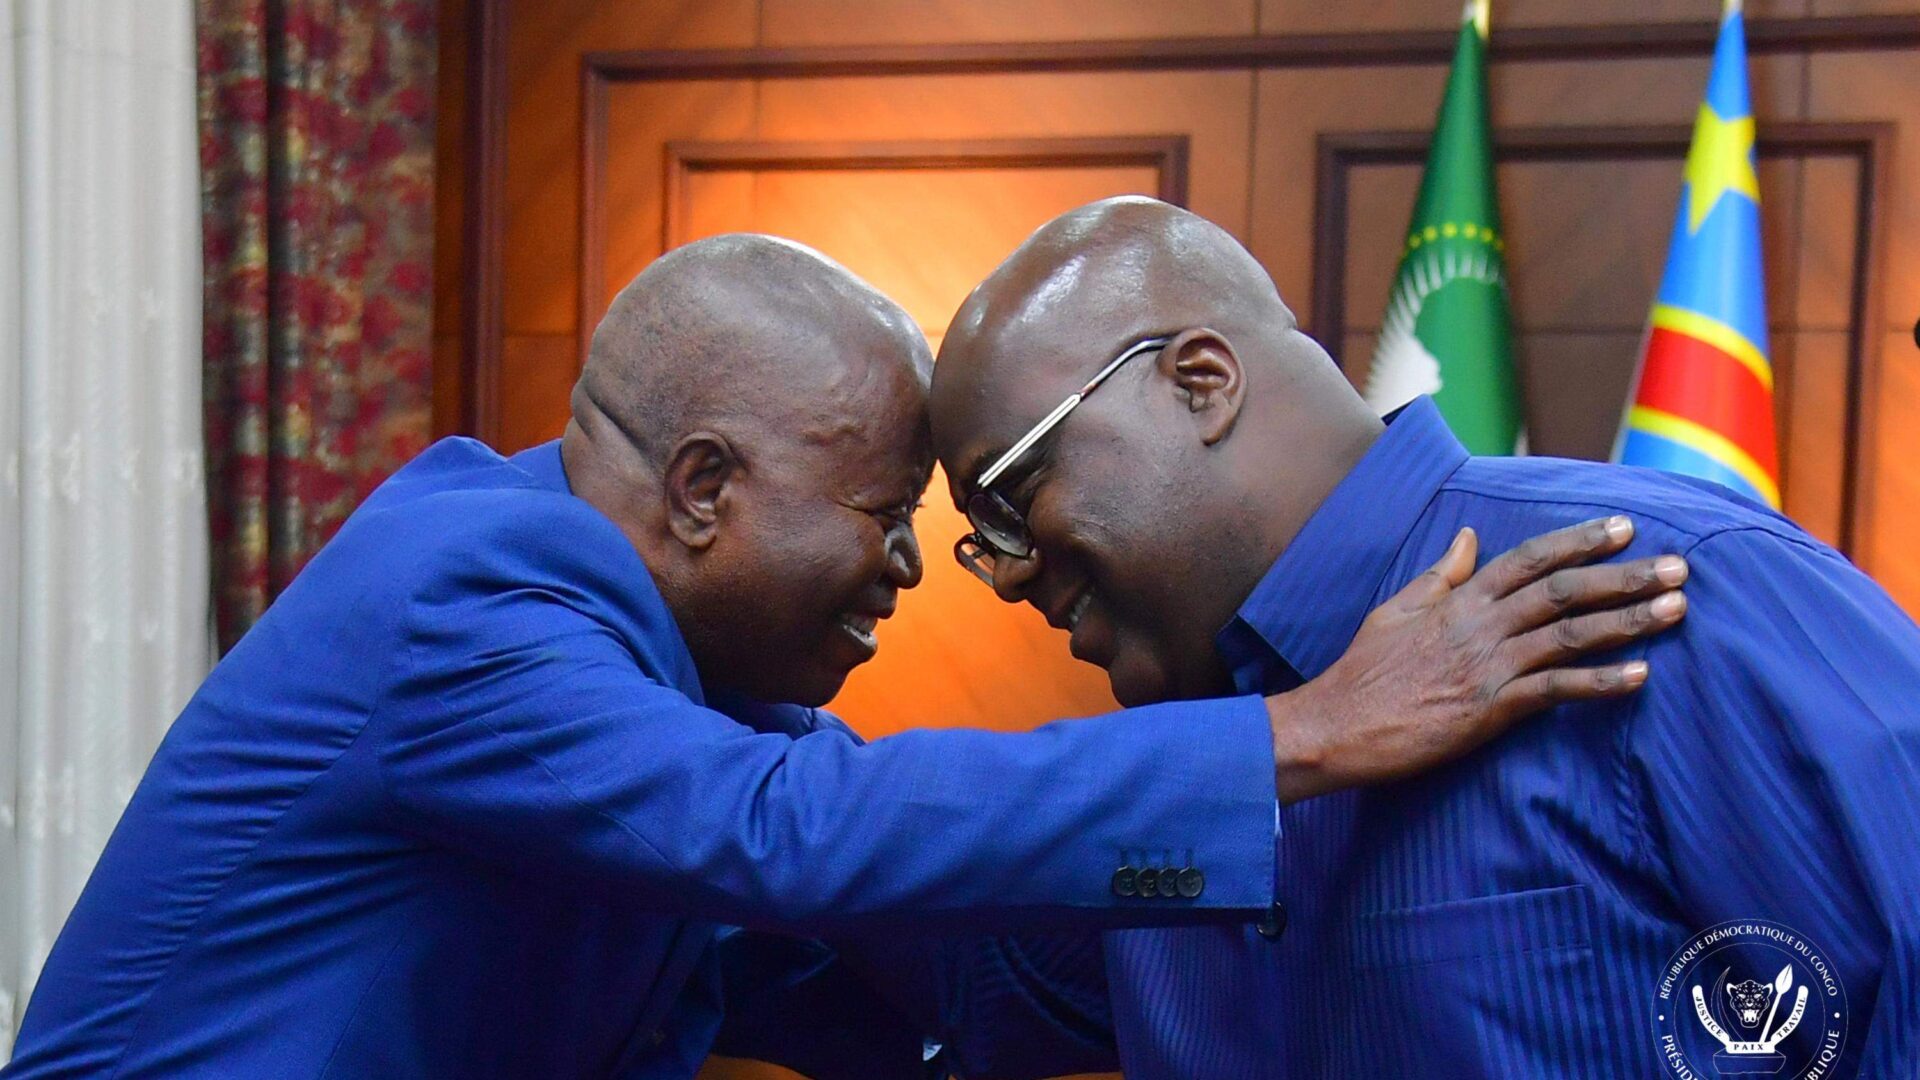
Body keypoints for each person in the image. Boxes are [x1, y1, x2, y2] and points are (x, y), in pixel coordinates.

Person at [5, 236, 1685, 1080]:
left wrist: (1288, 923)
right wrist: (1312, 734)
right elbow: (793, 839)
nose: (908, 570)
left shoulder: (660, 685)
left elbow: (909, 957)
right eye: (883, 515)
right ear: (705, 489)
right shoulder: (471, 601)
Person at [922, 196, 1920, 1079]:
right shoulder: (1172, 772)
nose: (1005, 574)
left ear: (1201, 382)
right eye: (980, 538)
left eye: (1011, 497)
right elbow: (928, 981)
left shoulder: (1665, 589)